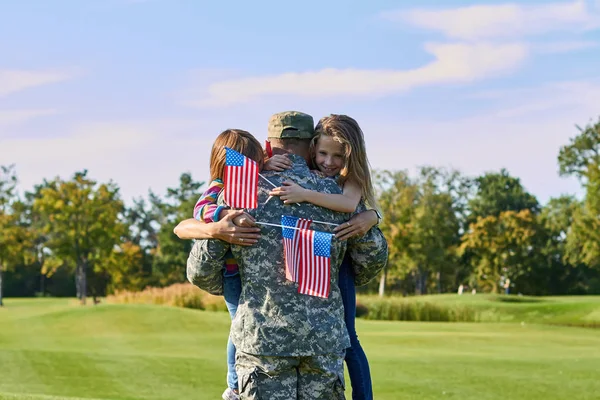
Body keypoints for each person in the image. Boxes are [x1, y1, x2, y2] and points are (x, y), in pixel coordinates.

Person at [186, 111, 388, 400]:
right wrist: (372, 217)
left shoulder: (239, 193)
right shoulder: (340, 195)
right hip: (323, 341)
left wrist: (239, 289)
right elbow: (371, 263)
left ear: (268, 146)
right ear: (312, 145)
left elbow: (200, 271)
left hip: (261, 342)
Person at [268, 114, 380, 400]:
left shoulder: (352, 177)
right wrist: (267, 163)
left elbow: (346, 203)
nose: (329, 162)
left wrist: (372, 216)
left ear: (350, 156)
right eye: (323, 153)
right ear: (312, 148)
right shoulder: (305, 168)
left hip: (338, 262)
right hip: (305, 257)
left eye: (337, 156)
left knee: (349, 338)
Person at [182, 129, 266, 400]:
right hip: (232, 273)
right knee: (239, 325)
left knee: (248, 324)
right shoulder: (219, 187)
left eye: (257, 163)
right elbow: (201, 210)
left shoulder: (254, 182)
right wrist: (226, 214)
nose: (253, 169)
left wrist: (268, 164)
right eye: (249, 163)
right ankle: (233, 384)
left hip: (252, 271)